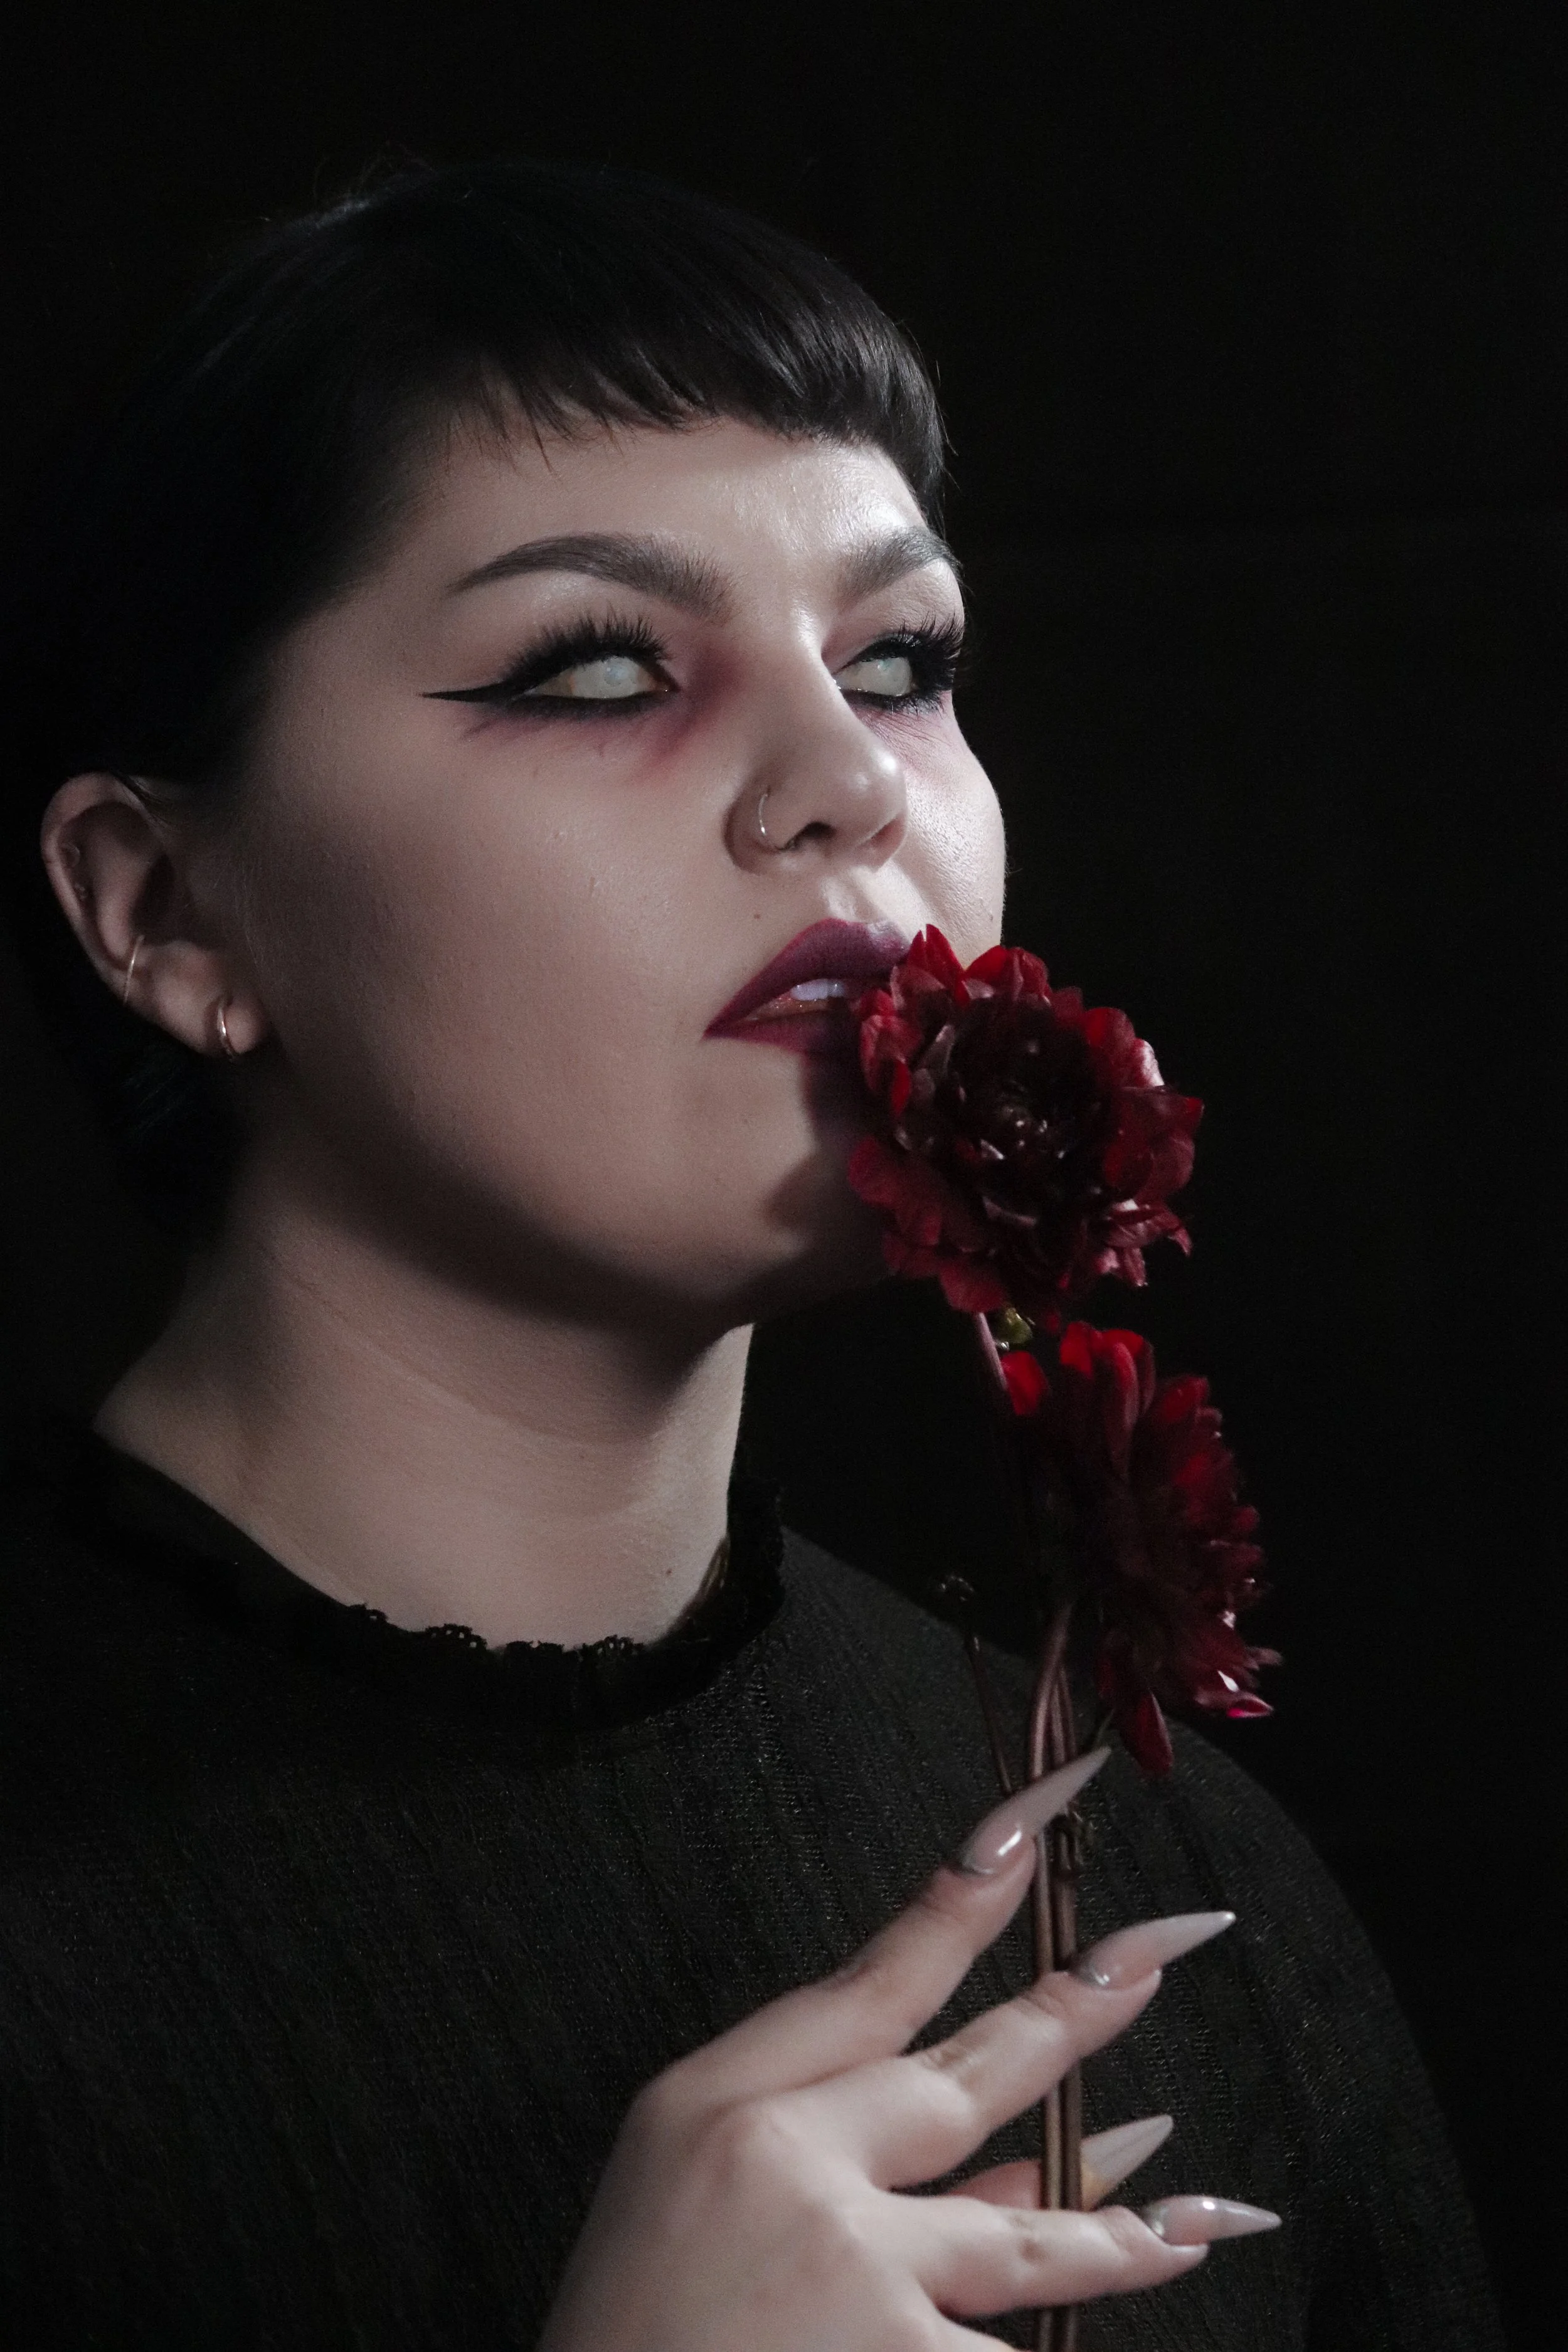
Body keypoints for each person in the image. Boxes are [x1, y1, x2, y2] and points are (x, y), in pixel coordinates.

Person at [0, 159, 1498, 2350]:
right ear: (162, 907)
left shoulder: (1163, 1875)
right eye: (598, 667)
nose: (842, 781)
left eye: (900, 660)